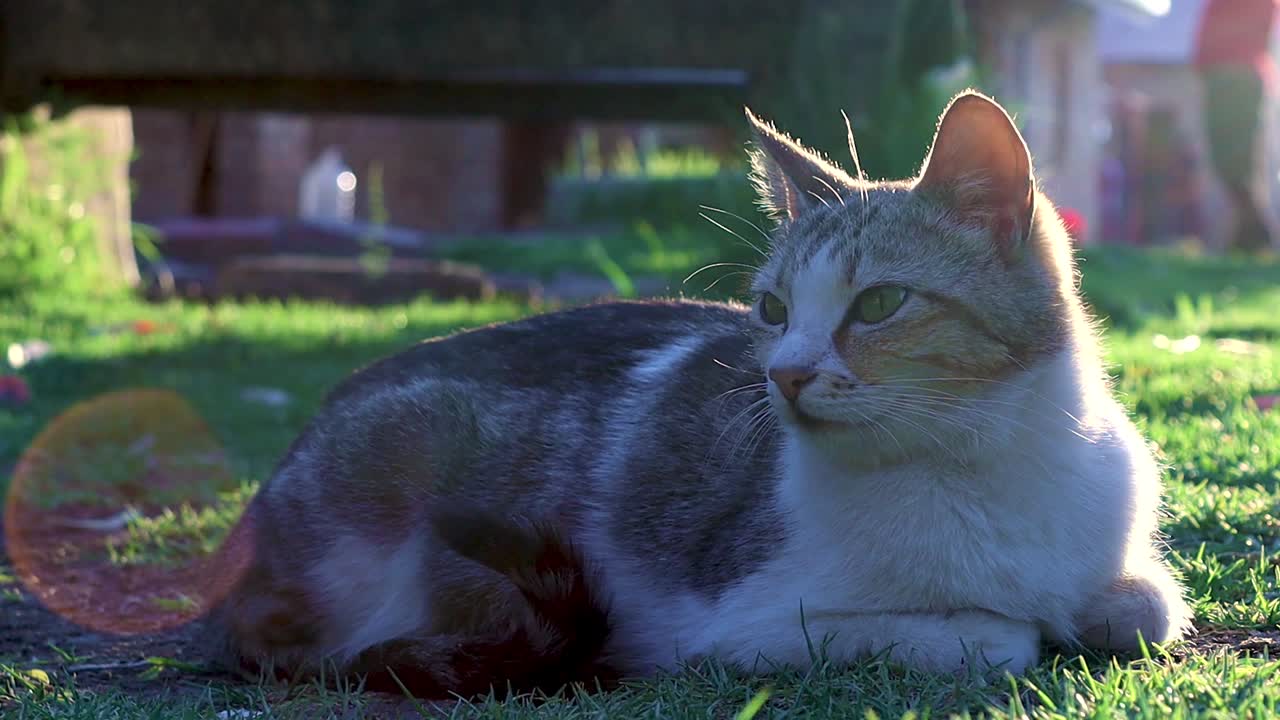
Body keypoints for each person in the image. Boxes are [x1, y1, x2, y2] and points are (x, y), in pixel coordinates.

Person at [1195, 0, 1280, 253]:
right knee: (1229, 165)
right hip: (1225, 74)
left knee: (1238, 166)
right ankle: (1249, 240)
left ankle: (1260, 238)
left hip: (1237, 76)